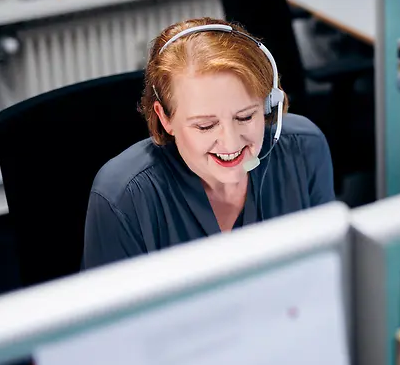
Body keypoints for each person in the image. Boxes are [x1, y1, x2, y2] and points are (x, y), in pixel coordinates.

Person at [81, 18, 335, 270]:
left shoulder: (304, 150)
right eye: (205, 125)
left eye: (246, 116)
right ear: (165, 117)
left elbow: (327, 273)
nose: (230, 141)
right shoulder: (125, 196)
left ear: (268, 104)